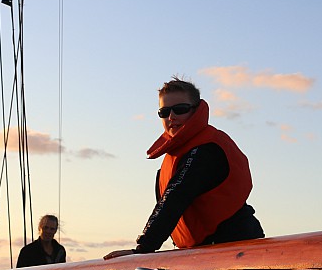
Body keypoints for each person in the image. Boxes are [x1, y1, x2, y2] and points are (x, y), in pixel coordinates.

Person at [105, 77, 263, 259]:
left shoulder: (206, 149)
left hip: (236, 244)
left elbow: (177, 195)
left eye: (180, 109)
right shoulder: (177, 154)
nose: (171, 117)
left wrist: (143, 248)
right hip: (203, 250)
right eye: (164, 112)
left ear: (196, 110)